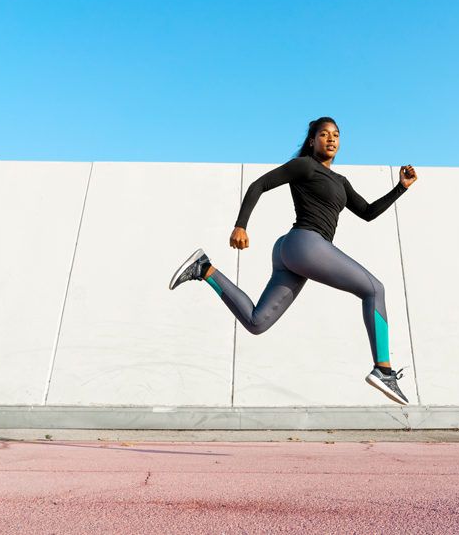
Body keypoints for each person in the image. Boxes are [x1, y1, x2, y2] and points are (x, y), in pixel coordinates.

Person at [168, 117, 418, 405]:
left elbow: (369, 212)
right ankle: (383, 369)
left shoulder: (341, 182)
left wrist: (402, 187)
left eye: (336, 135)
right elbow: (259, 184)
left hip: (291, 253)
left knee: (256, 322)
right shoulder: (304, 166)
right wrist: (240, 225)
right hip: (305, 243)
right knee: (374, 290)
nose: (331, 139)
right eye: (324, 134)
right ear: (312, 141)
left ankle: (205, 268)